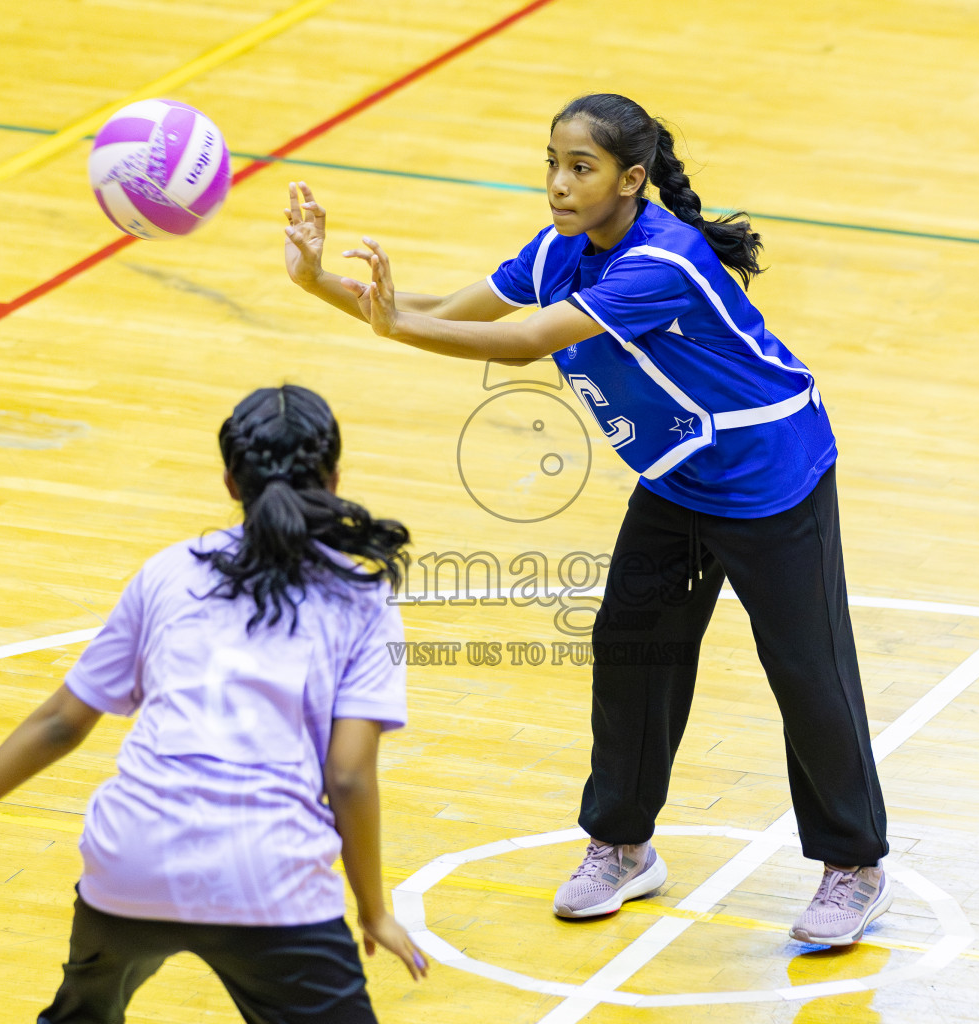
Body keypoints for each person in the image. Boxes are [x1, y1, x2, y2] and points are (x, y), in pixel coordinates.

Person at [283, 93, 891, 947]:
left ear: (632, 180)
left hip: (769, 475)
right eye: (553, 164)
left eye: (583, 168)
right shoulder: (556, 251)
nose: (560, 185)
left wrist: (394, 326)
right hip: (679, 475)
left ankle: (853, 866)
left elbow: (522, 342)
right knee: (632, 646)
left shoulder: (662, 263)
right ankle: (622, 845)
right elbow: (439, 312)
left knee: (806, 669)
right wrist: (319, 283)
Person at [0, 384, 429, 1021]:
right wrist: (374, 910)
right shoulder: (360, 597)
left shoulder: (168, 573)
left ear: (228, 481)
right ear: (333, 476)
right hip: (269, 874)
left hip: (131, 858)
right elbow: (350, 774)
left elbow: (58, 723)